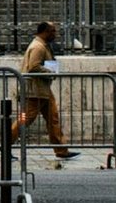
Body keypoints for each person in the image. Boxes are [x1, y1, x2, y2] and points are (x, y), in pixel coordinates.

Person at [13, 20, 77, 162]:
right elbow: (33, 66)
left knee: (53, 119)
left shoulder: (42, 45)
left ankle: (61, 150)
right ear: (45, 32)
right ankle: (5, 144)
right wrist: (49, 71)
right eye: (53, 31)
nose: (55, 33)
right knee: (25, 119)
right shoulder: (38, 47)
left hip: (43, 90)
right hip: (34, 91)